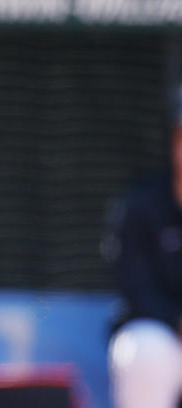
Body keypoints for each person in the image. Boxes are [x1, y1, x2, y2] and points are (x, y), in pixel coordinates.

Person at [107, 89, 182, 408]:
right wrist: (177, 321)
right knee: (145, 349)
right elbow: (136, 289)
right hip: (162, 337)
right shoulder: (142, 204)